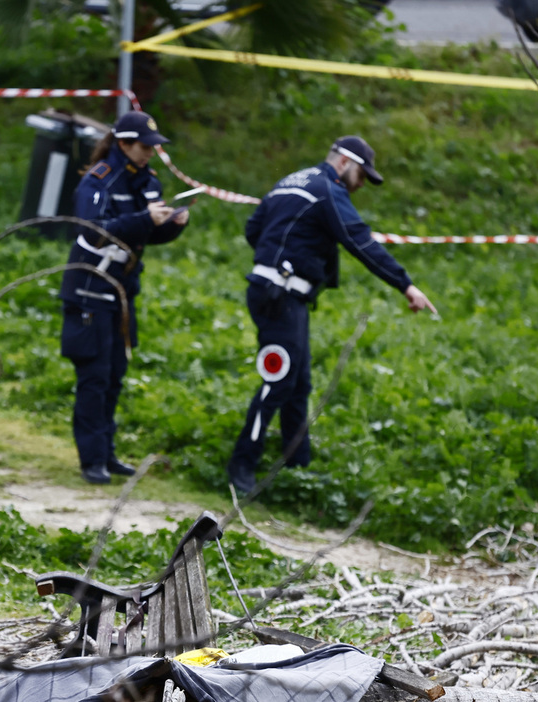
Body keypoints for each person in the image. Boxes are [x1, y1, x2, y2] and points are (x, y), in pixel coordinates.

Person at [226, 136, 437, 494]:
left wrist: (276, 258)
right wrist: (406, 285)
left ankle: (297, 466)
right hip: (281, 296)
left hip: (276, 292)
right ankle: (241, 467)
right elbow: (360, 241)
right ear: (343, 163)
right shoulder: (328, 188)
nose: (360, 185)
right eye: (361, 176)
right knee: (279, 381)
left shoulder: (292, 180)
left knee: (298, 383)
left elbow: (253, 229)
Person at [60, 111, 190, 485]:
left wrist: (171, 226)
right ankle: (91, 460)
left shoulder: (148, 181)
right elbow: (93, 234)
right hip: (90, 289)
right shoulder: (97, 180)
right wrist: (146, 219)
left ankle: (108, 453)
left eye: (154, 146)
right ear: (124, 144)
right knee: (94, 377)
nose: (151, 152)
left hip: (122, 292)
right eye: (145, 146)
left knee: (115, 375)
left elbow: (145, 233)